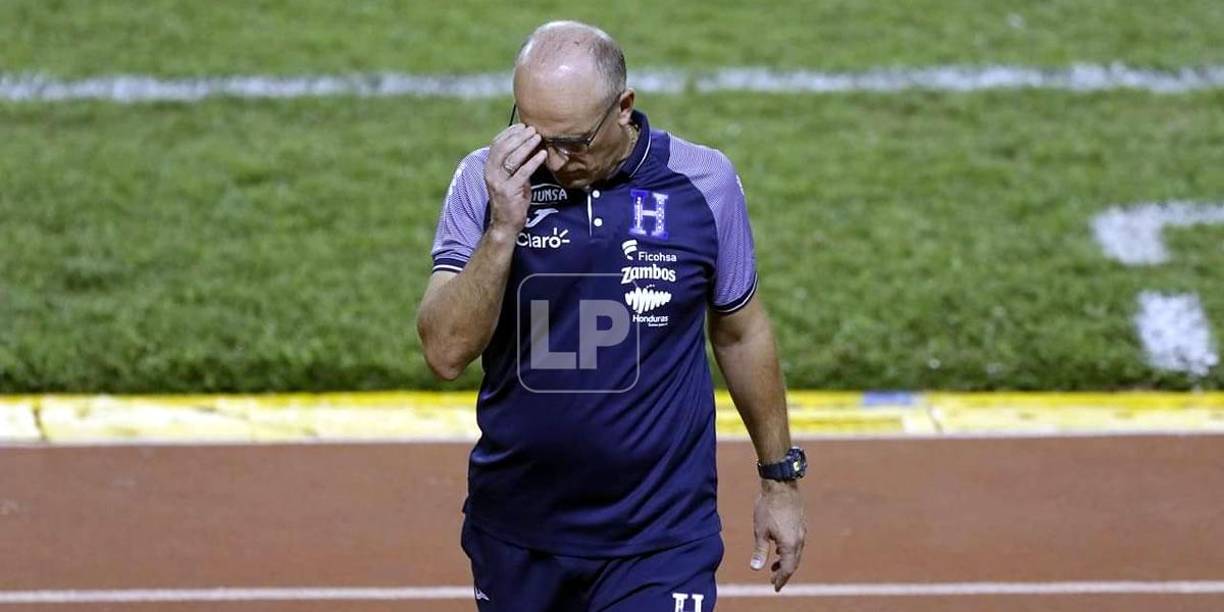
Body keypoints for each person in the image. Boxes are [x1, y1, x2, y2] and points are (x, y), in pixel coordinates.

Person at [417, 20, 805, 612]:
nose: (549, 157)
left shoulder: (704, 183)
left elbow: (741, 329)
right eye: (528, 130)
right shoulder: (485, 182)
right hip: (520, 531)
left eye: (570, 141)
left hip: (659, 536)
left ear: (623, 108)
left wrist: (779, 480)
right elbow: (444, 353)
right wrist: (502, 228)